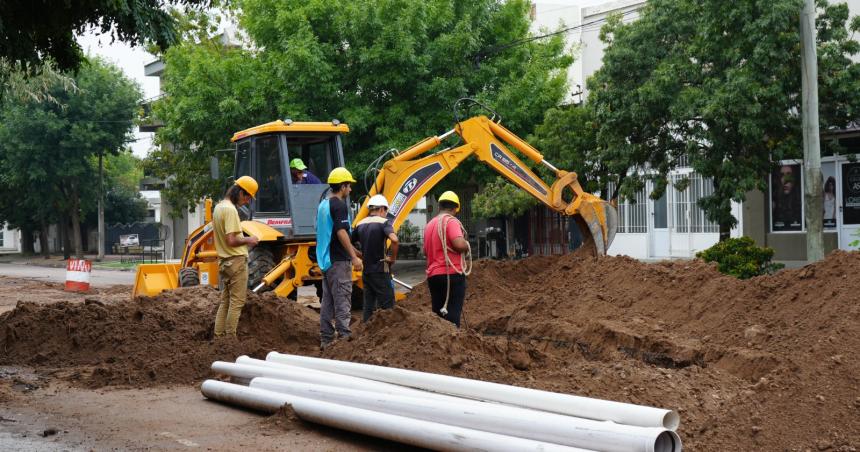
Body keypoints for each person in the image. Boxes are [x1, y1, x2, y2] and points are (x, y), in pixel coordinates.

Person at [316, 167, 363, 349]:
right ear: (342, 186)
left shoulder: (323, 205)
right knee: (343, 298)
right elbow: (341, 231)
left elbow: (330, 233)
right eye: (349, 186)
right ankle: (344, 340)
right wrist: (354, 257)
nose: (350, 190)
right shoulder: (339, 205)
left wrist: (353, 250)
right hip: (338, 261)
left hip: (326, 260)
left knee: (328, 301)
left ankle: (326, 339)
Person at [213, 176, 260, 338]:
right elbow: (231, 240)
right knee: (237, 302)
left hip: (225, 262)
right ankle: (230, 339)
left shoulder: (219, 207)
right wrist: (250, 239)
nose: (247, 201)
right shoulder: (231, 210)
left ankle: (219, 337)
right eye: (247, 197)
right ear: (240, 192)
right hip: (236, 262)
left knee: (225, 302)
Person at [423, 191, 470, 327]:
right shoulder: (451, 221)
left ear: (439, 207)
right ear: (456, 208)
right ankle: (453, 343)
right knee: (453, 314)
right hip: (452, 275)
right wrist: (466, 244)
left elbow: (425, 251)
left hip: (434, 277)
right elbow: (459, 244)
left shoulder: (429, 225)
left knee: (438, 315)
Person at [352, 194, 399, 322]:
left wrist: (360, 255)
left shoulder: (360, 224)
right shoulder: (383, 222)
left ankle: (367, 334)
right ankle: (388, 333)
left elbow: (348, 244)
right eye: (386, 211)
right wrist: (392, 258)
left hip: (366, 272)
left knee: (368, 306)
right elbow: (395, 240)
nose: (385, 214)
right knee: (388, 306)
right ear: (382, 209)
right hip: (381, 270)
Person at [772, 164, 802, 231]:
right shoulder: (775, 200)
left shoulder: (800, 200)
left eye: (789, 174)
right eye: (782, 175)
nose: (785, 180)